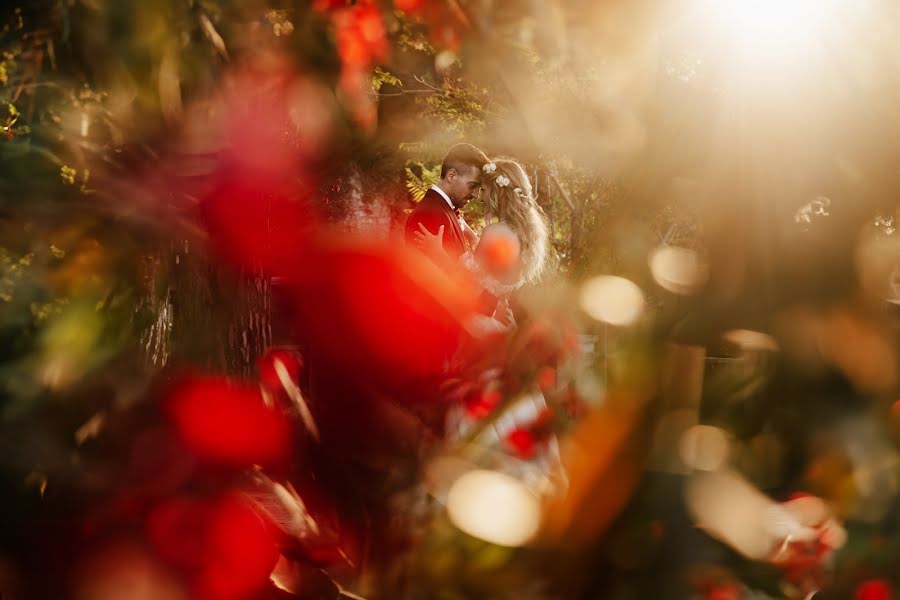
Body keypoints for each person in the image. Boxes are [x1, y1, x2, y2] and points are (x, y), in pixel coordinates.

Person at [415, 156, 549, 330]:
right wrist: (471, 234)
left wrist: (438, 252)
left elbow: (469, 283)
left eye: (484, 190)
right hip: (497, 321)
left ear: (497, 193)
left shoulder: (494, 231)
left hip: (476, 322)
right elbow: (493, 267)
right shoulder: (525, 233)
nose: (480, 196)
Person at [405, 142, 488, 260]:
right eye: (472, 186)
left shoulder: (446, 210)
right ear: (451, 176)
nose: (475, 195)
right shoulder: (429, 214)